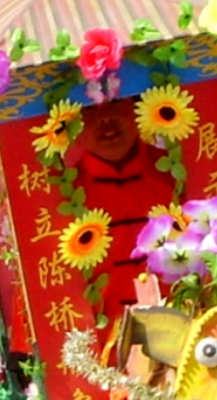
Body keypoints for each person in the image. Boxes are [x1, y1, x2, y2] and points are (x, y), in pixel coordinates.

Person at [68, 97, 176, 345]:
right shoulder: (59, 196)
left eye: (115, 101)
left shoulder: (180, 174)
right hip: (98, 356)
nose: (106, 118)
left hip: (182, 342)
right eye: (88, 107)